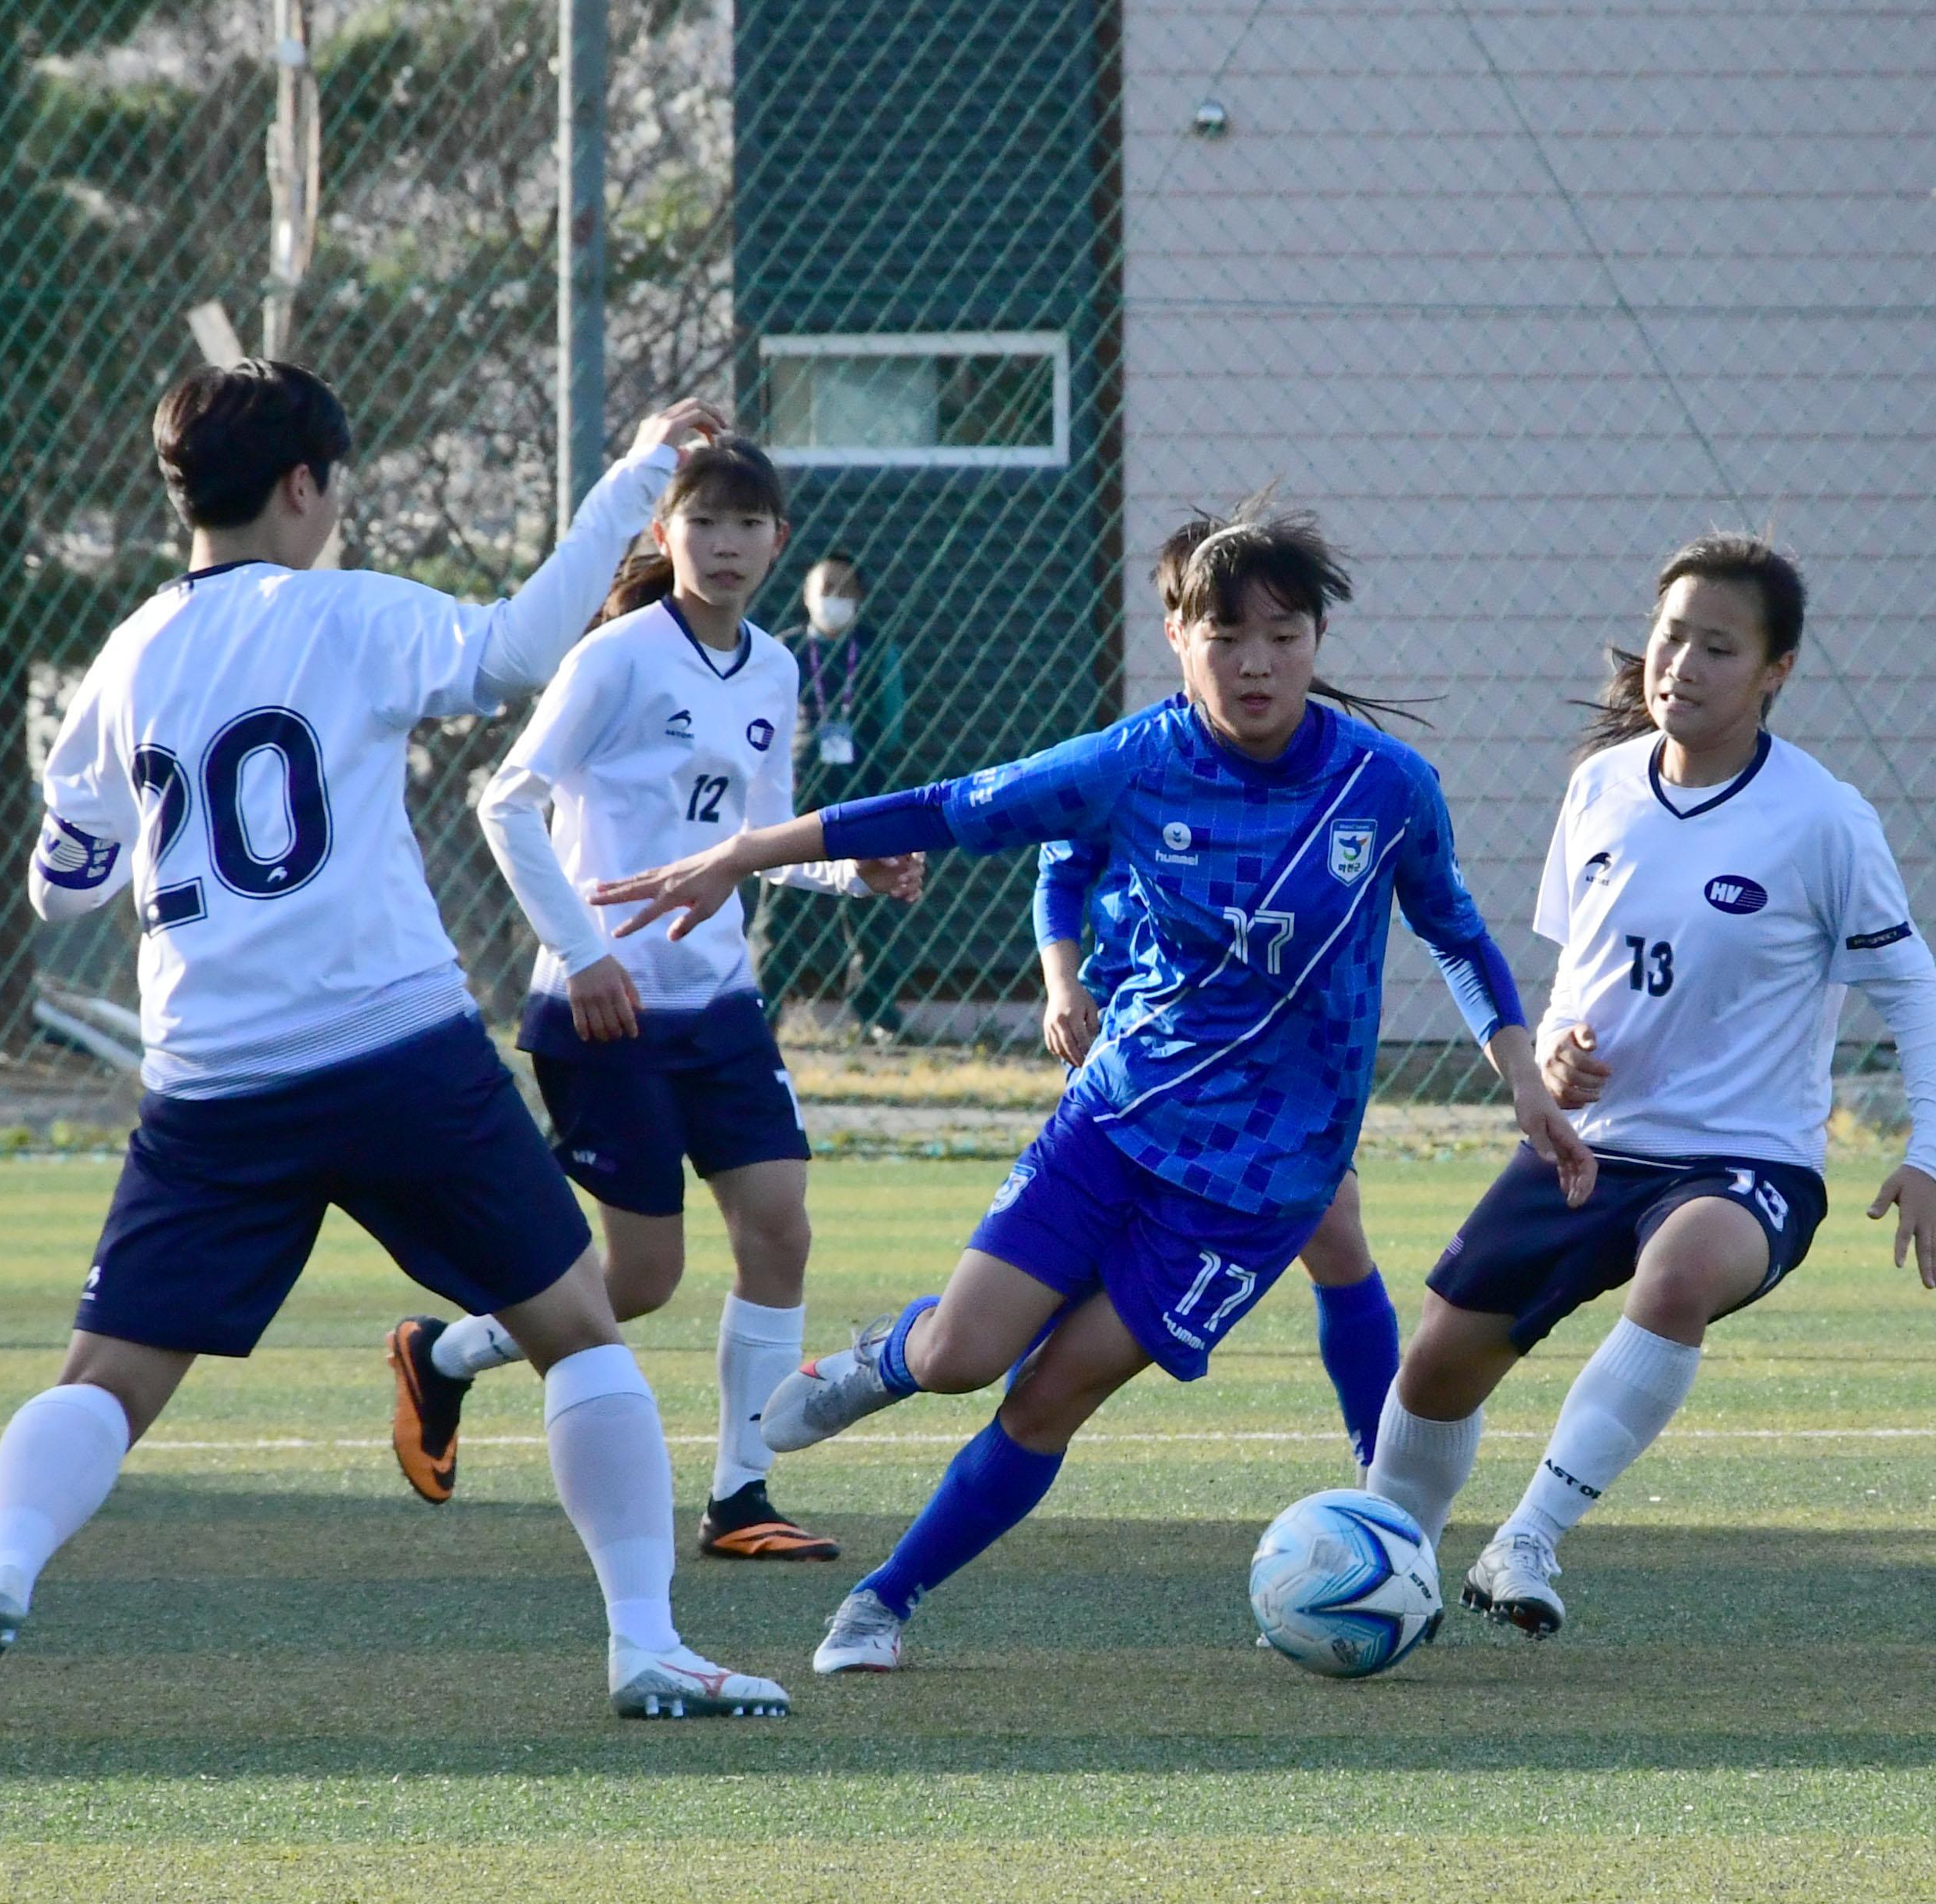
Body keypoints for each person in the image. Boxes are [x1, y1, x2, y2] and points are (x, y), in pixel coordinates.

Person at [0, 362, 789, 1726]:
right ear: (303, 486)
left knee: (106, 1379)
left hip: (208, 1075)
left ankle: (1, 1572)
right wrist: (634, 476)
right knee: (581, 1332)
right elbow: (515, 651)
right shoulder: (346, 612)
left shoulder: (123, 656)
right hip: (394, 1046)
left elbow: (60, 883)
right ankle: (644, 1643)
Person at [590, 498, 1595, 1675]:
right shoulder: (1136, 762)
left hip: (1259, 1186)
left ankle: (878, 1602)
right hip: (1113, 1120)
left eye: (1283, 633)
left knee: (1051, 1393)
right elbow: (951, 809)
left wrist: (1520, 1068)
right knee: (965, 1353)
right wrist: (748, 852)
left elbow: (1460, 934)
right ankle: (884, 1360)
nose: (1257, 662)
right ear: (1180, 638)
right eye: (1226, 635)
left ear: (1318, 640)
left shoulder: (1384, 786)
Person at [1364, 532, 1936, 1640]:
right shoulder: (1599, 790)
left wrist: (1932, 1154)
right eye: (1670, 636)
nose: (1680, 664)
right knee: (1438, 1364)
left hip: (1746, 1162)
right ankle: (1386, 1567)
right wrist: (1553, 1056)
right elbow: (1575, 980)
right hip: (1591, 1147)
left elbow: (1912, 986)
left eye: (1718, 648)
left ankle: (1526, 1541)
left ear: (1775, 672)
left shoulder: (1824, 819)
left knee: (1681, 1274)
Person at [384, 438, 923, 1564]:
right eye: (703, 522)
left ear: (781, 540)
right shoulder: (615, 660)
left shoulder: (775, 668)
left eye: (748, 525)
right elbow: (506, 806)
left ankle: (741, 1498)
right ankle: (440, 1358)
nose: (726, 546)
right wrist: (584, 955)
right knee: (639, 1281)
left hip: (720, 1005)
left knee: (779, 1230)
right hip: (603, 1010)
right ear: (662, 535)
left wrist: (848, 868)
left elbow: (756, 842)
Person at [1035, 834, 1395, 1469]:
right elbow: (1061, 867)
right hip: (1140, 1043)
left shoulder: (1318, 774)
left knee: (1336, 1227)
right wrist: (1062, 984)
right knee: (1064, 1274)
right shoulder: (1133, 758)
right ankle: (952, 1361)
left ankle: (1388, 1475)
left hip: (1265, 1046)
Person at [763, 551, 913, 1037]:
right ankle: (763, 1008)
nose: (834, 600)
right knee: (780, 901)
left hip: (862, 790)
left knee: (869, 900)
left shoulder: (876, 651)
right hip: (797, 789)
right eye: (824, 589)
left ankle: (876, 1014)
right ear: (805, 595)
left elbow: (893, 723)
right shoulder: (782, 652)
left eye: (845, 591)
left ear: (861, 600)